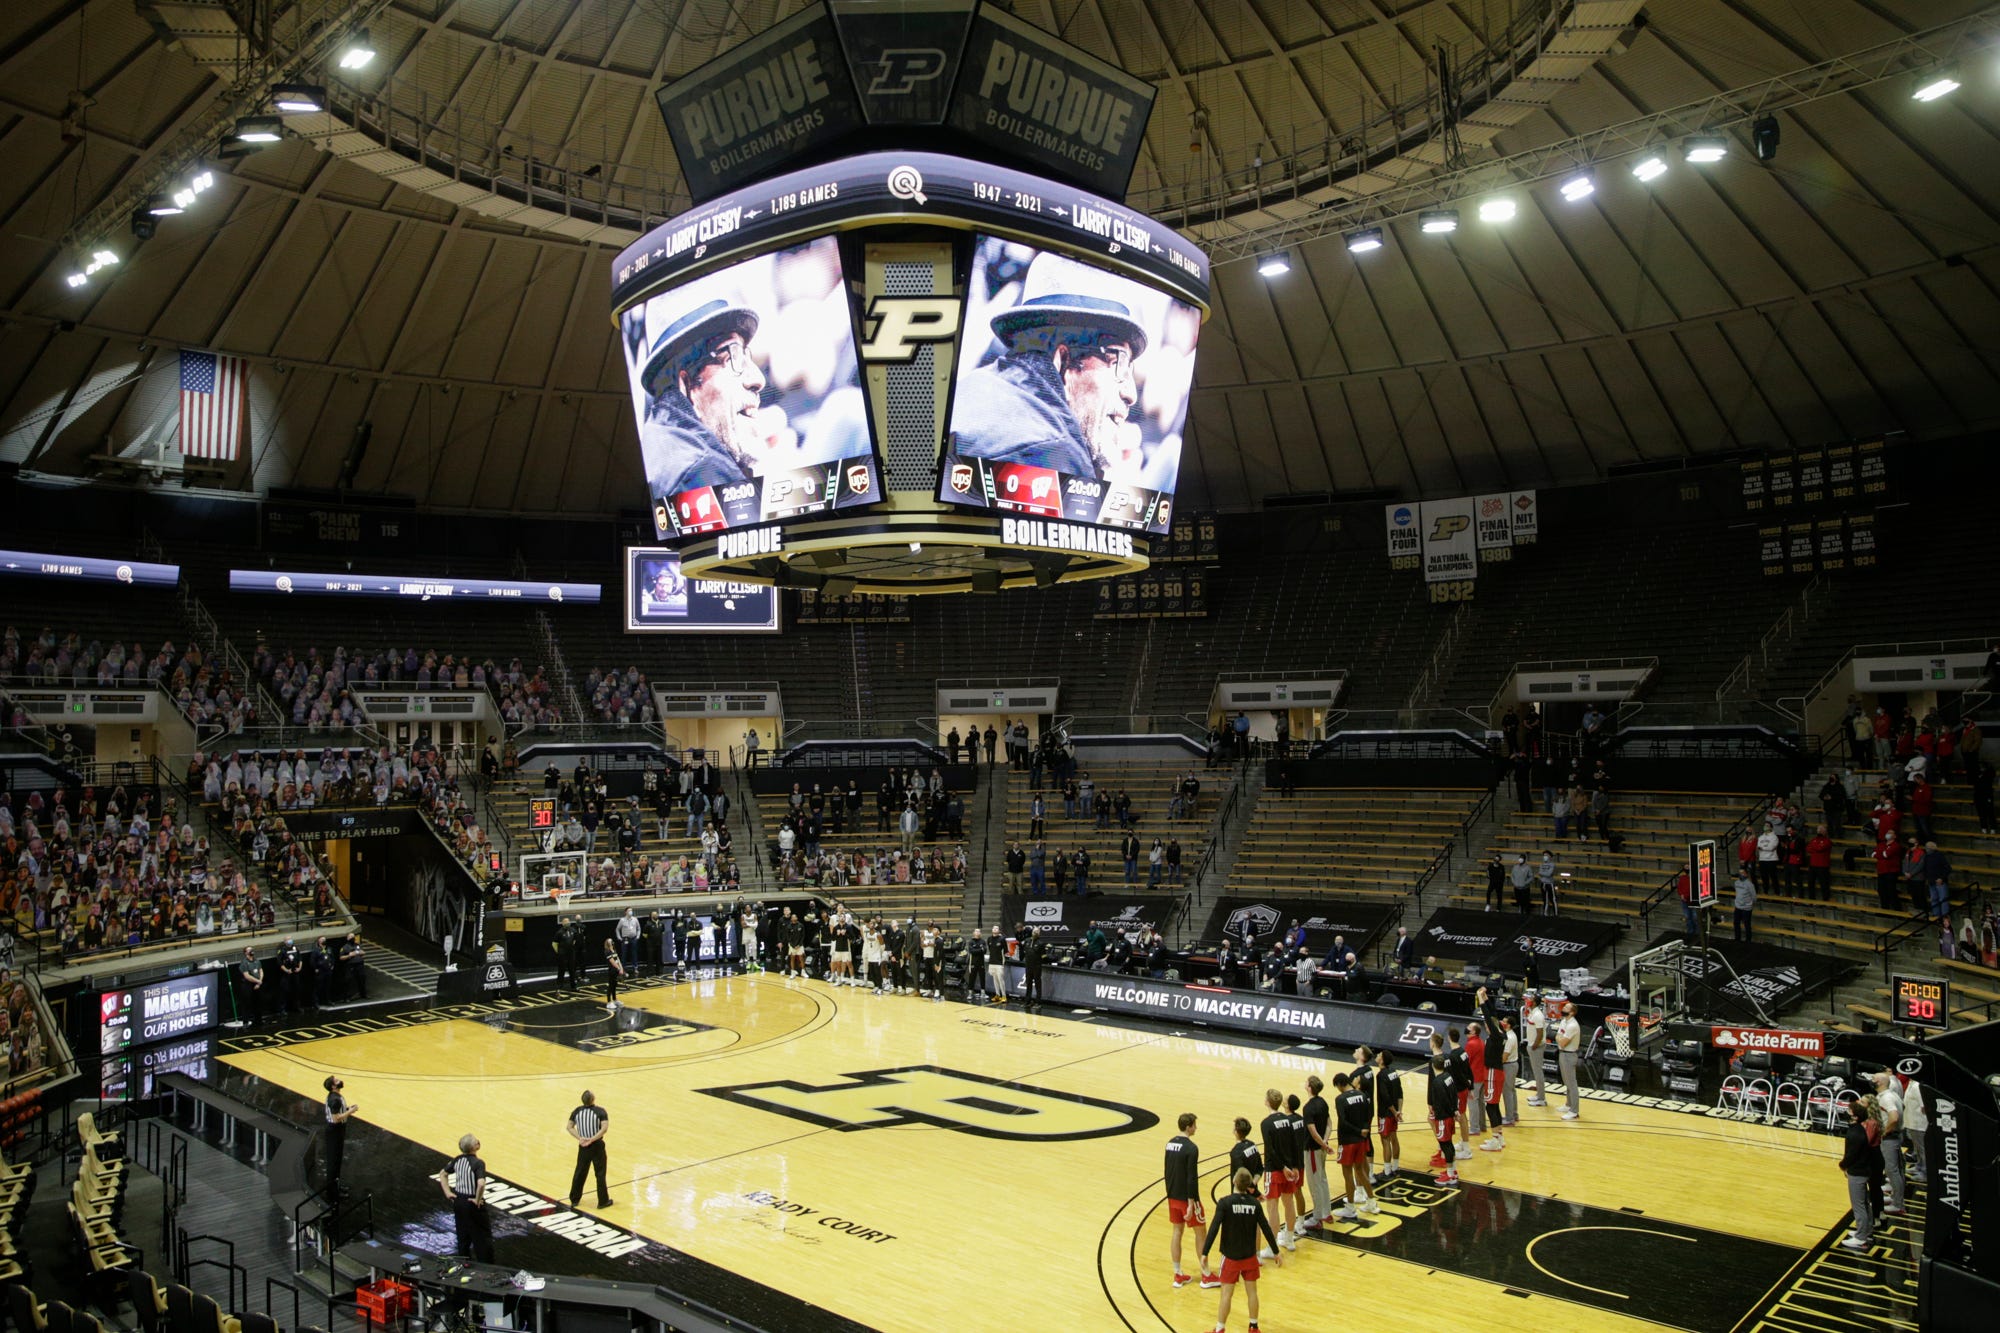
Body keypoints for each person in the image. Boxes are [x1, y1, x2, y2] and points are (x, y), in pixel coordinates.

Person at [950, 251, 1148, 478]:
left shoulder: (974, 385)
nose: (1130, 393)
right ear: (1063, 361)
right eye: (1117, 362)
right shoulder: (1053, 454)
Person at [637, 298, 766, 501]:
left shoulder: (660, 435)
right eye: (732, 357)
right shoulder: (702, 473)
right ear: (686, 385)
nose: (758, 380)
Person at [1200, 1167, 1280, 1333]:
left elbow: (1214, 1228)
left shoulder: (1225, 1203)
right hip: (1249, 1256)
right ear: (1249, 1185)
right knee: (1252, 1293)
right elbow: (1265, 1227)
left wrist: (1205, 1252)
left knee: (1226, 1294)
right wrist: (1276, 1251)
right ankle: (1253, 1327)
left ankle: (1220, 1328)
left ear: (1234, 1182)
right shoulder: (1255, 1204)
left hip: (1231, 1257)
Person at [1163, 1113, 1218, 1290]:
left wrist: (1169, 1194)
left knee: (1177, 1232)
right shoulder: (1191, 1148)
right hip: (1187, 1199)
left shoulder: (1169, 1144)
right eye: (1194, 1125)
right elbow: (1191, 1177)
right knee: (1201, 1232)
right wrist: (1191, 1203)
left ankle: (1177, 1274)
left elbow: (1167, 1171)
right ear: (1188, 1127)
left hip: (1172, 1195)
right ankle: (1206, 1275)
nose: (1196, 1128)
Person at [439, 1133, 494, 1262]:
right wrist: (477, 1198)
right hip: (472, 1202)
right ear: (476, 1146)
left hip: (459, 1201)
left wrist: (447, 1192)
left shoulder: (458, 1159)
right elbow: (481, 1183)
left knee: (462, 1236)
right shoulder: (478, 1163)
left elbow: (443, 1174)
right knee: (482, 1238)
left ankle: (464, 1263)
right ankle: (487, 1266)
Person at [1258, 1089, 1301, 1252]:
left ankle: (1272, 1246)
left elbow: (1271, 1149)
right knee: (1289, 1203)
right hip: (1290, 1168)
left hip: (1275, 1170)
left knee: (1272, 1207)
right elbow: (1294, 1144)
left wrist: (1282, 1167)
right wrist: (1295, 1166)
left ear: (1267, 1102)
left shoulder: (1266, 1123)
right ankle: (1289, 1239)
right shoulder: (1287, 1120)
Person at [1331, 1071, 1378, 1218]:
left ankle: (1350, 1207)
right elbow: (1367, 1115)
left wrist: (1357, 1130)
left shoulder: (1340, 1099)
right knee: (1361, 1171)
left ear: (1339, 1085)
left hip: (1347, 1140)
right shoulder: (1362, 1095)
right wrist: (1363, 1130)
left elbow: (1343, 1121)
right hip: (1361, 1139)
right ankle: (1371, 1203)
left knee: (1347, 1174)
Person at [1838, 1099, 1876, 1250]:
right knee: (1865, 1203)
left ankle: (1861, 1238)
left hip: (1857, 1172)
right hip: (1863, 1170)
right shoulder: (1859, 1129)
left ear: (1855, 1116)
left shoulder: (1855, 1134)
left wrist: (1842, 1165)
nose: (1847, 1113)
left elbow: (1851, 1155)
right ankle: (1866, 1231)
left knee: (1858, 1205)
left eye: (1850, 1111)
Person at [567, 1090, 612, 1210]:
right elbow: (604, 1128)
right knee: (600, 1173)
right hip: (596, 1145)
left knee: (580, 1172)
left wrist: (580, 1138)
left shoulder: (577, 1111)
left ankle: (574, 1199)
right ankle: (603, 1201)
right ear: (593, 1099)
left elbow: (569, 1127)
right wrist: (592, 1139)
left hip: (583, 1146)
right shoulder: (600, 1111)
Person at [1299, 1076, 1332, 1230]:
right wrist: (1325, 1142)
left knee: (1314, 1183)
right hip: (1321, 1147)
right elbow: (1329, 1124)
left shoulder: (1308, 1107)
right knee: (1323, 1179)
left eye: (1306, 1083)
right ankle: (1327, 1212)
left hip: (1312, 1149)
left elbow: (1312, 1132)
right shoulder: (1323, 1102)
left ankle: (1317, 1217)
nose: (1304, 1084)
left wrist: (1322, 1144)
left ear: (1310, 1088)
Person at [1871, 1071, 1906, 1215]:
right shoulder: (1893, 1094)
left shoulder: (1886, 1098)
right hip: (1896, 1136)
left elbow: (1894, 1117)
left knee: (1892, 1171)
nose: (1871, 1080)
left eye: (1873, 1078)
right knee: (1897, 1170)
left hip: (1890, 1138)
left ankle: (1898, 1204)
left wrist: (1885, 1132)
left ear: (1879, 1082)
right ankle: (1896, 1199)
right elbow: (1902, 1107)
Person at [1427, 1055, 1462, 1185]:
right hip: (1449, 1115)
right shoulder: (1448, 1076)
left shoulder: (1437, 1082)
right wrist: (1455, 1110)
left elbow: (1444, 1100)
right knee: (1449, 1144)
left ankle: (1450, 1175)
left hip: (1443, 1117)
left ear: (1433, 1066)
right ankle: (1452, 1171)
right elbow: (1454, 1095)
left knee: (1445, 1145)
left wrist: (1446, 1112)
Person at [322, 1075, 354, 1197]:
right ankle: (332, 1192)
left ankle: (336, 1186)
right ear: (333, 1086)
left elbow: (338, 1112)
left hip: (337, 1130)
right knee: (333, 1162)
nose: (339, 1080)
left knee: (337, 1160)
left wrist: (347, 1109)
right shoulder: (334, 1099)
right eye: (336, 1080)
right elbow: (336, 1119)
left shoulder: (335, 1096)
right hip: (334, 1130)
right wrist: (351, 1111)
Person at [1553, 1000, 1583, 1119]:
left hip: (1569, 1055)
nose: (1563, 1008)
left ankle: (1574, 1111)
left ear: (1571, 1013)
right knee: (1566, 1082)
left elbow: (1563, 1042)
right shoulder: (1564, 1021)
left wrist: (1559, 1038)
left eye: (1566, 1007)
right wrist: (1559, 1038)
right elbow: (1557, 1036)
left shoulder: (1572, 1025)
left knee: (1572, 1083)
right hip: (1562, 1053)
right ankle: (1568, 1104)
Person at [238, 947, 265, 1025]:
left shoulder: (257, 961)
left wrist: (259, 982)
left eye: (252, 949)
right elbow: (247, 976)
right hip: (248, 985)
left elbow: (261, 971)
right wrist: (258, 981)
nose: (251, 951)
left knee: (258, 1002)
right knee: (247, 1003)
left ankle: (258, 1020)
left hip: (257, 984)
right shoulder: (244, 963)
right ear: (245, 953)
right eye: (249, 950)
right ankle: (245, 1021)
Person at [1732, 869, 1757, 943]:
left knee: (1747, 924)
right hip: (1738, 906)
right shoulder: (1736, 882)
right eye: (1740, 873)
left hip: (1746, 908)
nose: (1741, 874)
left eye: (1743, 873)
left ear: (1746, 874)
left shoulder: (1750, 884)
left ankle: (1748, 940)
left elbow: (1754, 896)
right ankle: (1737, 938)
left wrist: (1750, 904)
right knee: (1736, 923)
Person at [602, 937, 625, 1013]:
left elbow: (618, 960)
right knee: (611, 985)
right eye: (610, 941)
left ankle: (615, 1000)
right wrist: (618, 968)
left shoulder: (614, 950)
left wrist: (621, 968)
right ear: (607, 943)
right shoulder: (607, 951)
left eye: (612, 941)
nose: (612, 942)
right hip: (612, 970)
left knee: (615, 985)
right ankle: (609, 1002)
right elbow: (612, 962)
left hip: (617, 969)